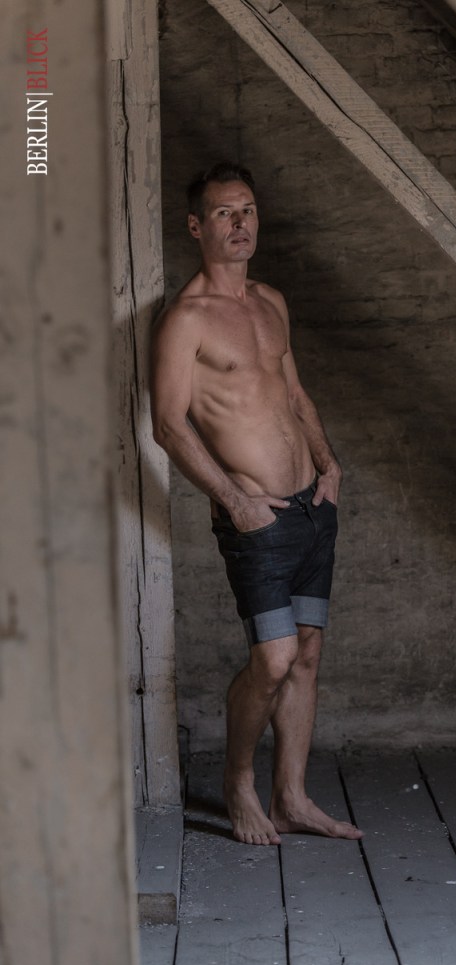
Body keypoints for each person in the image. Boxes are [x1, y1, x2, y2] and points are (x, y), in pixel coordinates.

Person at [151, 161, 363, 846]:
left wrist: (329, 465)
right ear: (196, 226)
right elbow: (167, 424)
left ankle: (292, 797)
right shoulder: (186, 319)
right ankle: (239, 782)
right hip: (258, 521)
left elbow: (294, 395)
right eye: (224, 213)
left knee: (306, 655)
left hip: (311, 510)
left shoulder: (271, 300)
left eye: (247, 210)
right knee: (272, 660)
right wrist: (233, 499)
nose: (240, 223)